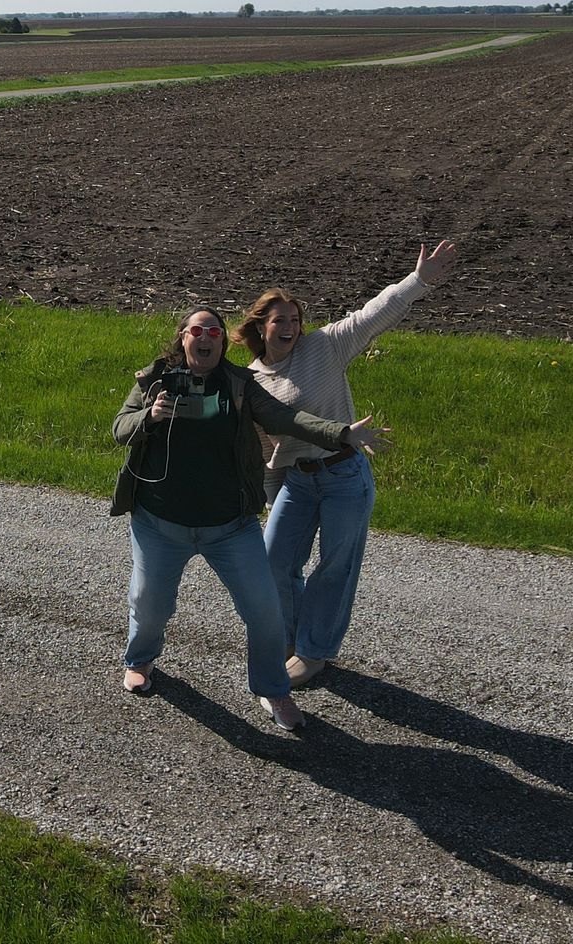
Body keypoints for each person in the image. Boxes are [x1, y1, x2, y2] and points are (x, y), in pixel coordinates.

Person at [112, 305, 391, 732]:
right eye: (196, 330)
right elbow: (119, 428)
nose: (205, 337)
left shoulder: (240, 385)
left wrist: (341, 433)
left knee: (265, 612)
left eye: (214, 332)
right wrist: (150, 416)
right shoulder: (155, 381)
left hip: (230, 528)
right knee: (150, 606)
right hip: (161, 525)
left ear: (222, 342)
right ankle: (141, 660)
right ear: (183, 337)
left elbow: (286, 418)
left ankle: (272, 688)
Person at [238, 241, 459, 689]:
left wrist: (418, 281)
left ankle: (314, 652)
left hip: (344, 476)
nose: (291, 328)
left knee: (335, 567)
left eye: (296, 320)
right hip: (296, 484)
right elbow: (265, 449)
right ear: (261, 326)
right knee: (274, 561)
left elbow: (370, 316)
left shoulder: (324, 348)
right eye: (280, 320)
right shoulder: (252, 379)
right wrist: (267, 496)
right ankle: (289, 639)